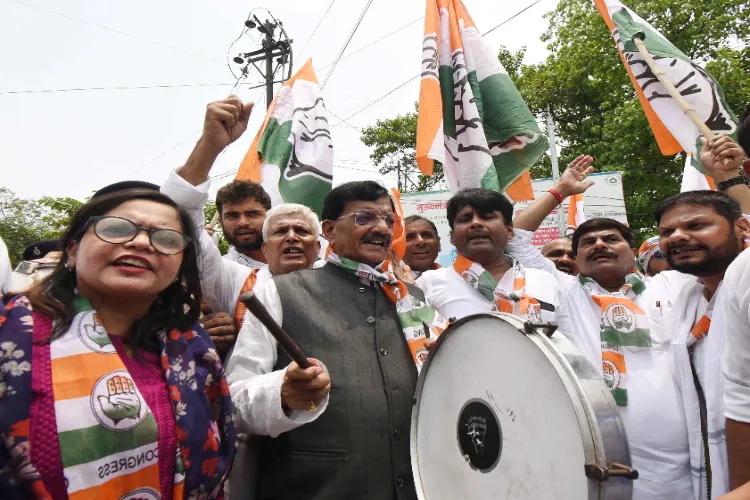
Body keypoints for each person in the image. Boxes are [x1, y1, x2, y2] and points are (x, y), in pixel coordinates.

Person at [0, 188, 235, 499]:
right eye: (116, 229)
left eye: (165, 238)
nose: (140, 242)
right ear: (72, 249)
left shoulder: (193, 349)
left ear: (180, 265)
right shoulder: (11, 334)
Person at [227, 180, 447, 499]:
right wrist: (283, 393)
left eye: (387, 219)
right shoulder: (279, 292)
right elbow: (234, 400)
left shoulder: (412, 298)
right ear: (329, 230)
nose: (380, 228)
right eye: (364, 218)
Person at [415, 188, 575, 341]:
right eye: (465, 219)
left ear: (510, 231)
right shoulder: (428, 284)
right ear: (452, 237)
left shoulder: (545, 281)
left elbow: (568, 347)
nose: (476, 223)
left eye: (487, 217)